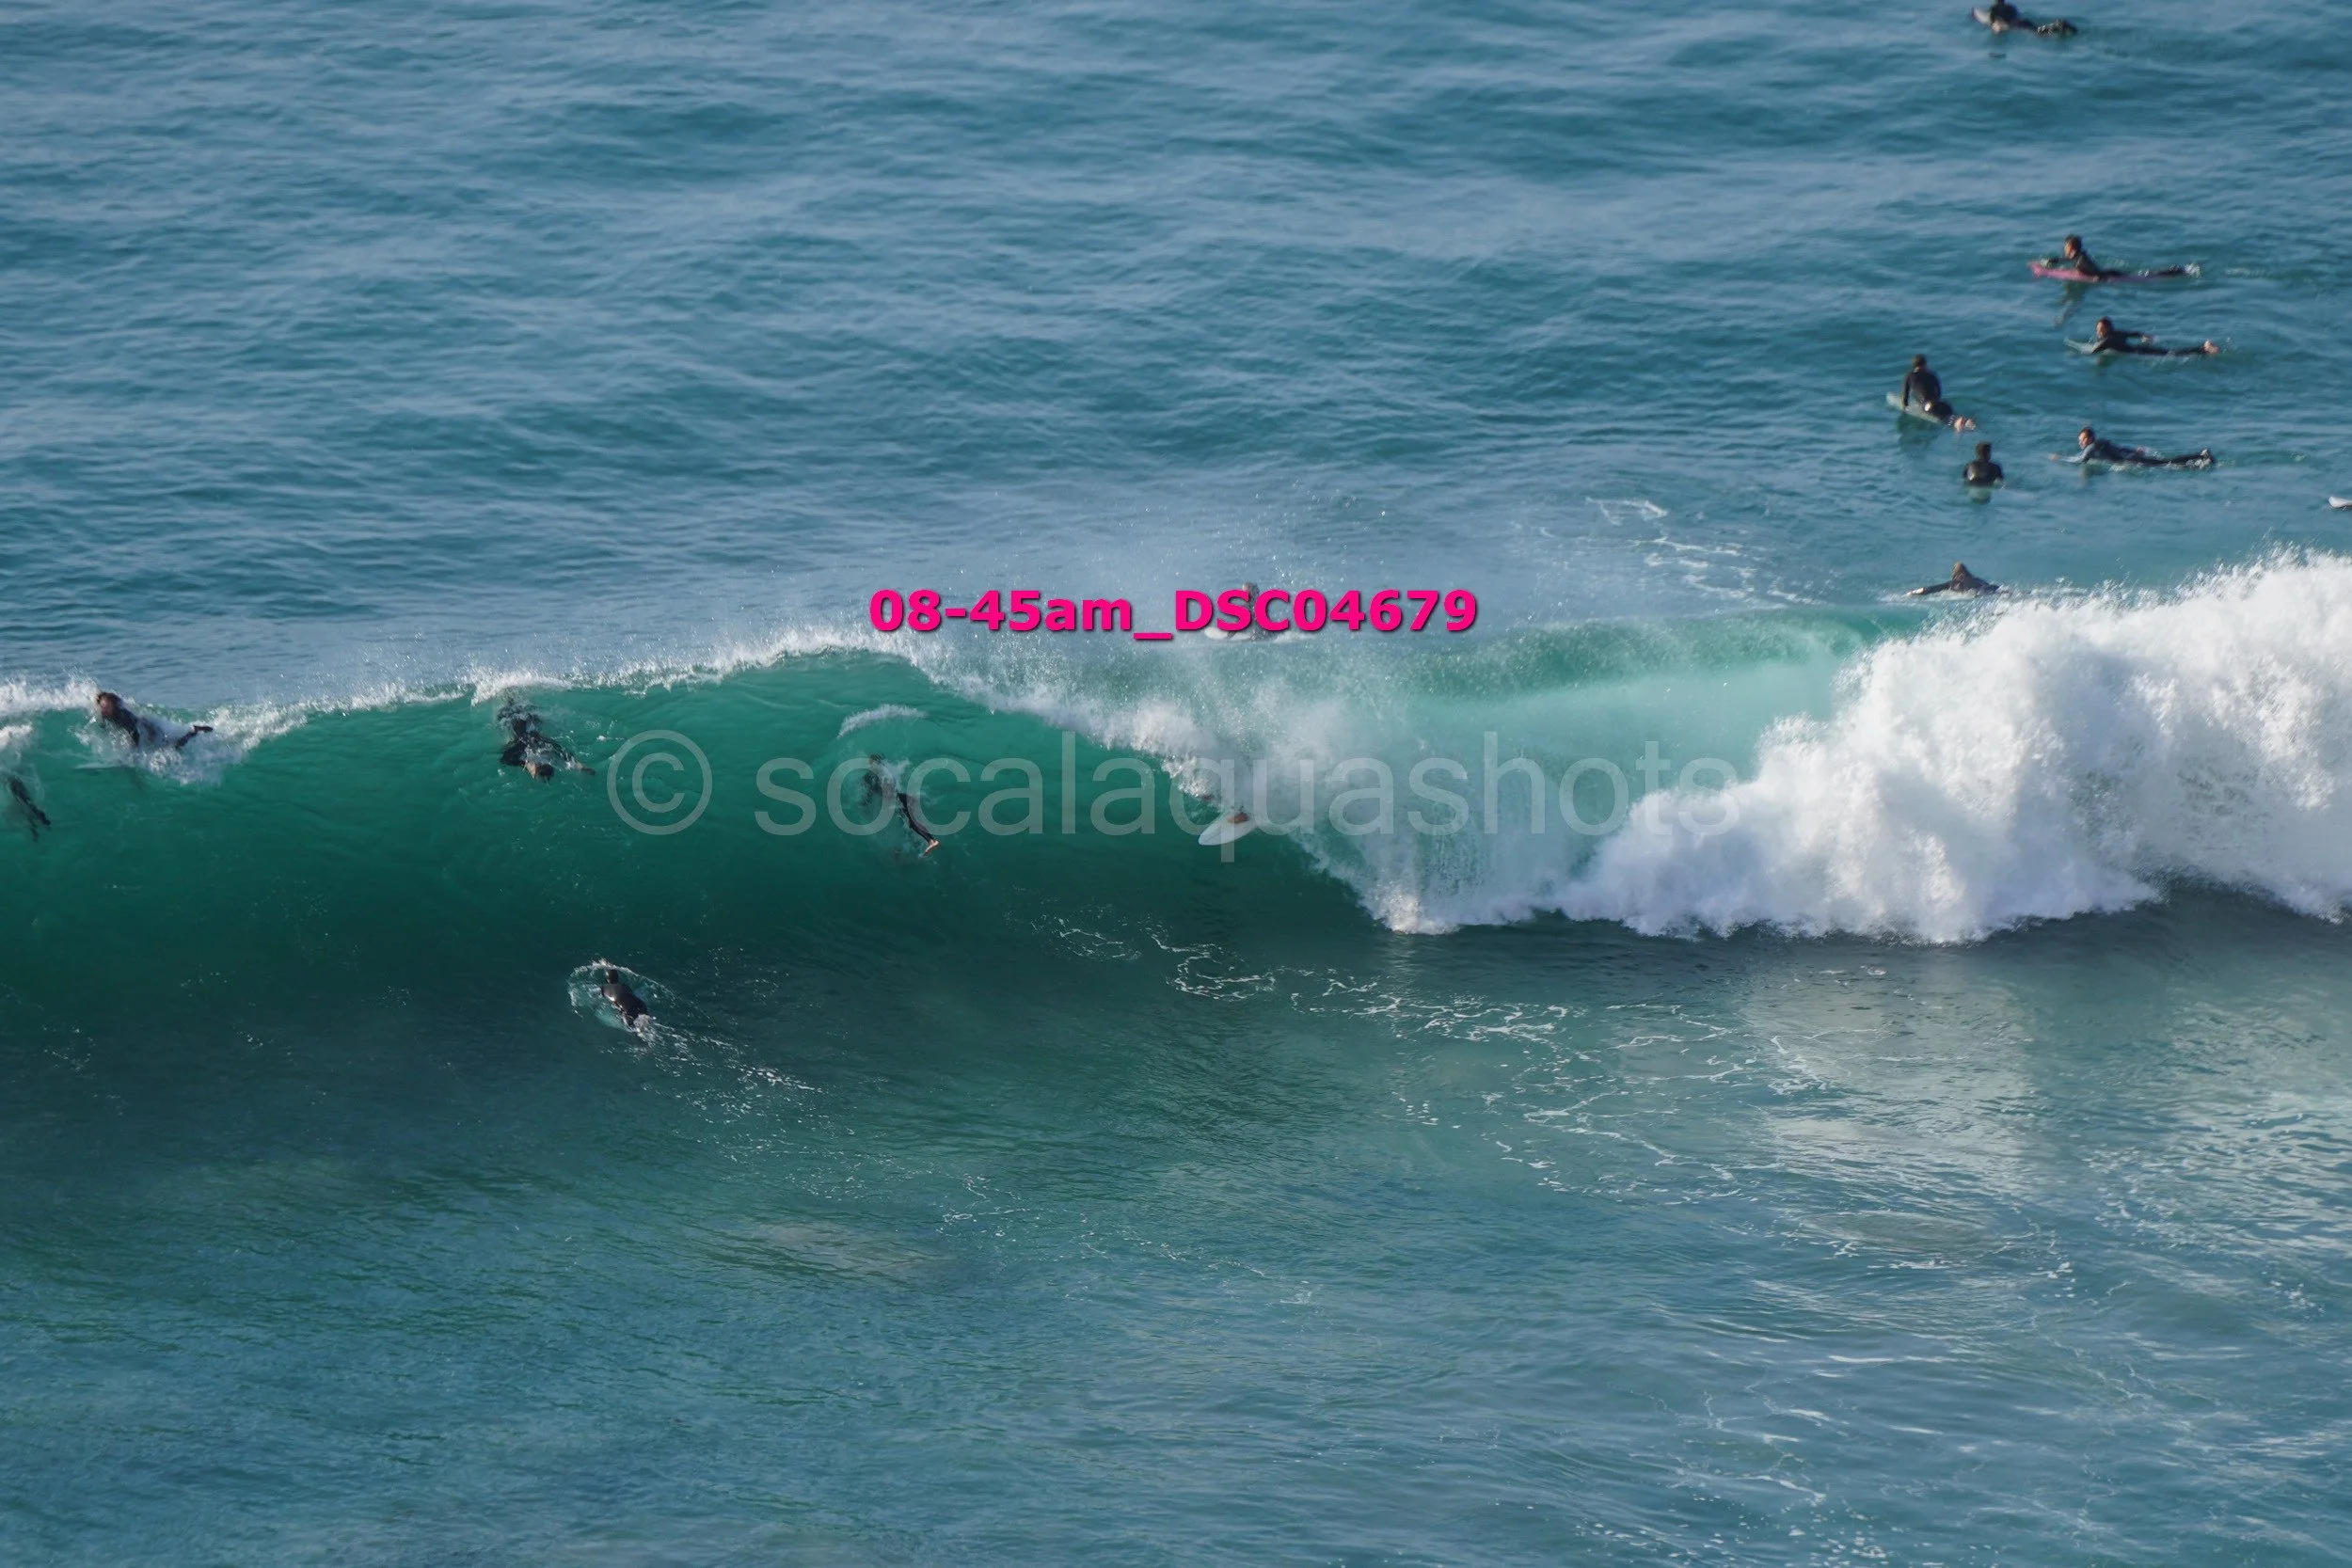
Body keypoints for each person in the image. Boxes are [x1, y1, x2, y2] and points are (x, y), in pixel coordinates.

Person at [497, 699, 585, 781]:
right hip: (529, 736)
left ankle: (529, 765)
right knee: (508, 757)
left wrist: (581, 767)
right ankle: (528, 765)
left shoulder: (543, 748)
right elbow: (564, 755)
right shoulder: (540, 748)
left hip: (531, 734)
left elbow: (564, 755)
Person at [94, 691, 211, 751]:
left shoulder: (122, 717)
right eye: (102, 707)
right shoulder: (104, 711)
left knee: (173, 747)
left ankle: (193, 732)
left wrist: (135, 748)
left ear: (113, 707)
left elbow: (134, 732)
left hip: (149, 728)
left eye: (107, 707)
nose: (103, 710)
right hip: (143, 726)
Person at [2069, 425, 2213, 468]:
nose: (2081, 443)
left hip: (2133, 461)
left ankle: (2201, 459)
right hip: (2133, 456)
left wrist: (2061, 459)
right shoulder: (2102, 442)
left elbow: (2080, 460)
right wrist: (2134, 451)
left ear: (2090, 438)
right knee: (2167, 462)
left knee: (2168, 464)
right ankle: (2200, 459)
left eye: (2083, 440)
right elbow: (2121, 448)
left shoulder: (2091, 448)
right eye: (2080, 441)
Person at [1899, 356, 1975, 429]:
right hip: (1942, 403)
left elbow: (1905, 395)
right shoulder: (1932, 375)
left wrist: (1905, 408)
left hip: (1929, 406)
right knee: (1952, 417)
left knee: (1948, 422)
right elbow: (1938, 392)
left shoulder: (1909, 376)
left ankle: (1959, 425)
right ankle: (1967, 421)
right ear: (1925, 364)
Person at [2087, 316, 2217, 356]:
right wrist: (2144, 335)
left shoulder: (2108, 341)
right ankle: (2203, 349)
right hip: (2140, 348)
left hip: (2140, 351)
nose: (2099, 332)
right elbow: (2133, 333)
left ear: (2108, 328)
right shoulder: (2117, 333)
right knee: (2171, 352)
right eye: (2098, 329)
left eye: (2101, 329)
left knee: (2172, 354)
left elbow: (2094, 351)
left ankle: (2204, 349)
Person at [598, 967, 651, 1034]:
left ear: (606, 979)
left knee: (635, 1030)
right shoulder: (623, 985)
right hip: (640, 1003)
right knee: (645, 1023)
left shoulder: (603, 988)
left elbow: (603, 996)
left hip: (626, 1008)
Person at [1981, 2, 2075, 36]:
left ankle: (2057, 26)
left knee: (2037, 33)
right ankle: (2057, 26)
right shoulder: (2011, 6)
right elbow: (2017, 15)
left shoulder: (1993, 9)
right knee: (2036, 28)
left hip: (2015, 26)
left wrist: (1996, 34)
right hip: (2023, 21)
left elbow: (1996, 25)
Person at [1910, 562, 2000, 597]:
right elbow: (1993, 587)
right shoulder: (1978, 579)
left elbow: (1931, 589)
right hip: (1984, 589)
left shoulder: (1952, 583)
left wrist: (1912, 593)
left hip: (1971, 593)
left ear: (1954, 573)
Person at [898, 790, 942, 856]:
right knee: (911, 823)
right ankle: (931, 841)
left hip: (903, 799)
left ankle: (931, 841)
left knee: (912, 823)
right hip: (903, 799)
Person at [7, 775, 50, 839]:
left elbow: (18, 795)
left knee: (28, 813)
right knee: (30, 809)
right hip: (26, 799)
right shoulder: (18, 784)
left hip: (23, 800)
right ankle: (39, 827)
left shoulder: (14, 786)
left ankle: (36, 830)